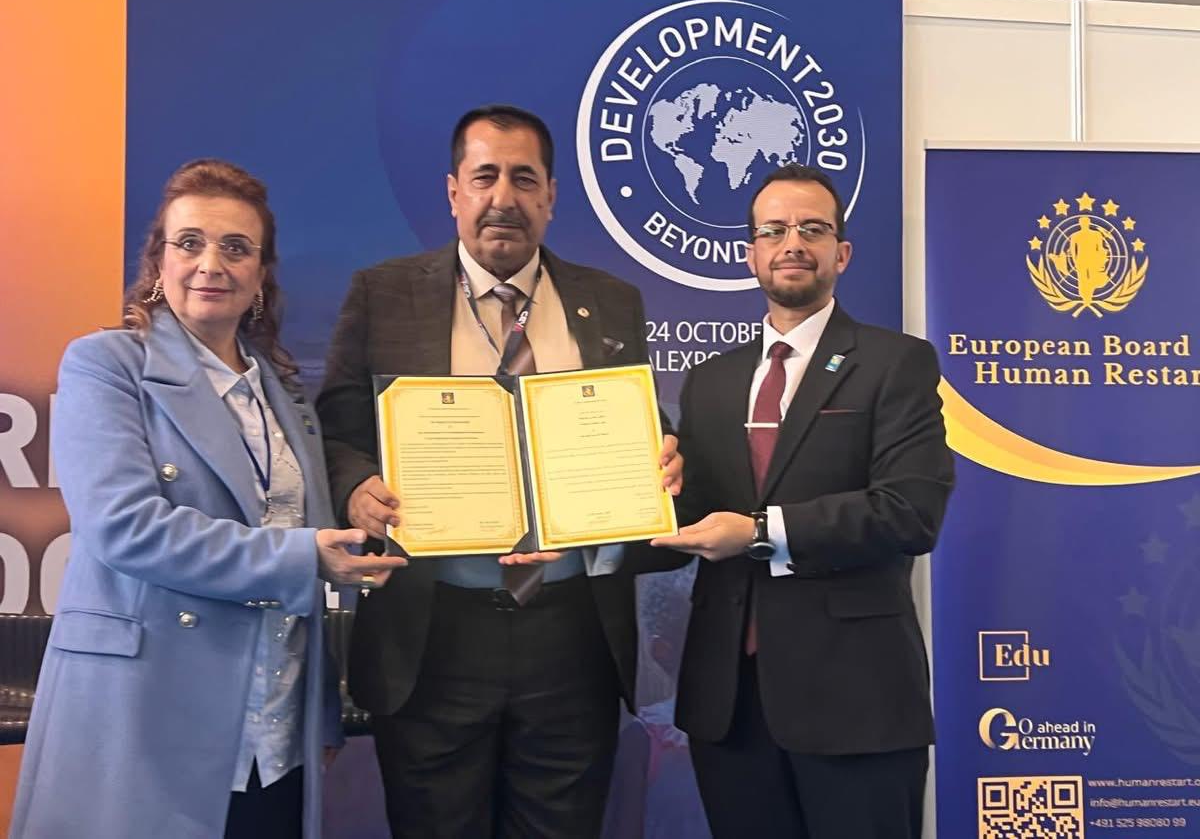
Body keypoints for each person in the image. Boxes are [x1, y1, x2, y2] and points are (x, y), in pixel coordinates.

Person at [316, 104, 682, 838]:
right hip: (433, 632)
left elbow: (632, 425)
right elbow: (335, 430)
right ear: (454, 192)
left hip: (572, 633)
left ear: (551, 196)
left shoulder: (611, 301)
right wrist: (355, 487)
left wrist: (662, 455)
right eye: (485, 177)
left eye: (524, 178)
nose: (503, 198)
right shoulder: (383, 293)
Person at [10, 159, 404, 839]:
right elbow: (125, 528)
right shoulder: (107, 366)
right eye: (189, 242)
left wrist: (318, 716)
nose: (211, 264)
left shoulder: (284, 395)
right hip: (145, 719)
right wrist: (304, 556)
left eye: (236, 247)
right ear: (158, 260)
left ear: (260, 275)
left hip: (274, 735)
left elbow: (305, 569)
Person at [651, 164, 954, 839]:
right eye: (775, 230)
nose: (793, 243)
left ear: (841, 253)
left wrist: (762, 531)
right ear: (751, 253)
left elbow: (910, 511)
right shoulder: (709, 382)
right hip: (730, 706)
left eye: (812, 229)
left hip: (856, 700)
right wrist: (617, 507)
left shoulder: (897, 363)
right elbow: (691, 519)